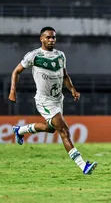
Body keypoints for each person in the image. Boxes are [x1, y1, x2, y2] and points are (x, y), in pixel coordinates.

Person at [9, 26, 98, 175]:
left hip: (58, 99)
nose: (51, 40)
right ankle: (83, 165)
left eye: (53, 37)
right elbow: (16, 71)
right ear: (41, 39)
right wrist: (12, 90)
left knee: (50, 129)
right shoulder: (34, 55)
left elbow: (64, 76)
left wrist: (73, 90)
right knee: (64, 130)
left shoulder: (60, 55)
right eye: (48, 37)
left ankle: (20, 130)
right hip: (45, 100)